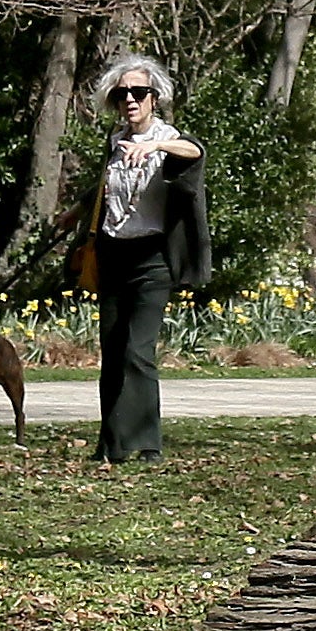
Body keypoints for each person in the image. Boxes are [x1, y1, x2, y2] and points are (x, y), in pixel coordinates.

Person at [79, 56, 210, 465]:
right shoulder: (115, 142)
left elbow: (195, 150)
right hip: (113, 252)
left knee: (138, 349)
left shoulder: (169, 139)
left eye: (138, 93)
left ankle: (147, 442)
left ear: (155, 98)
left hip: (153, 258)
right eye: (122, 94)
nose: (130, 100)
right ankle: (112, 444)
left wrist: (154, 144)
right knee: (113, 349)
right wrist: (77, 212)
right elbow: (106, 188)